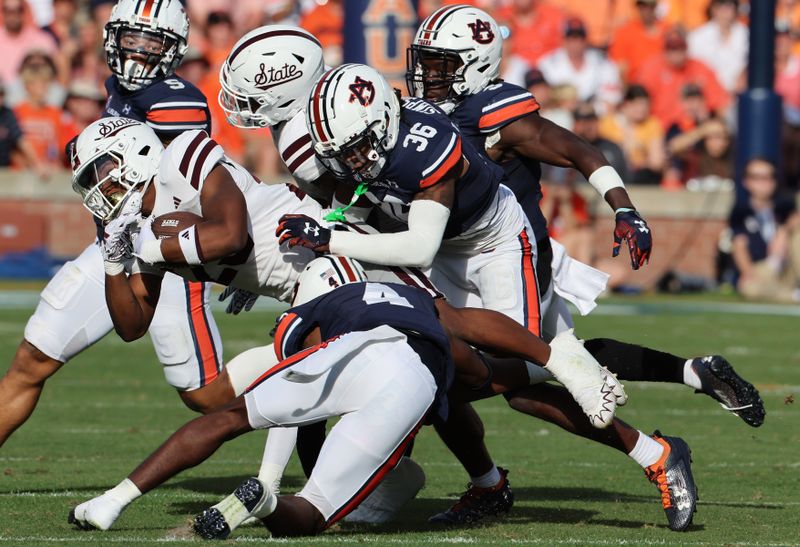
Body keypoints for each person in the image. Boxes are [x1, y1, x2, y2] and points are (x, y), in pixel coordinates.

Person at [405, 4, 763, 527]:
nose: (426, 76)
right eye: (426, 63)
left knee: (490, 377)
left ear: (475, 65)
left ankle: (632, 458)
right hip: (457, 260)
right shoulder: (430, 112)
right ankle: (692, 373)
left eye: (440, 66)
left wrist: (624, 207)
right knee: (545, 359)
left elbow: (577, 150)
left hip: (511, 257)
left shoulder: (497, 113)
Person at [69, 261, 454, 537]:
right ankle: (267, 503)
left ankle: (113, 500)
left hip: (357, 355)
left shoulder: (312, 309)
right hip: (411, 375)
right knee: (320, 508)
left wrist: (269, 475)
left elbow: (296, 400)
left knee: (229, 416)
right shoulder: (407, 297)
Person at [0, 0, 225, 450]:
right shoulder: (117, 87)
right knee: (31, 360)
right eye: (130, 39)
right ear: (112, 38)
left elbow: (199, 185)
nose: (138, 52)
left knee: (206, 396)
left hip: (166, 258)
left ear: (172, 49)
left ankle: (304, 426)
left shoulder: (177, 103)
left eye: (151, 43)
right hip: (111, 246)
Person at [730, 158, 800, 303]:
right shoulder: (741, 211)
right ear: (746, 181)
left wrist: (784, 231)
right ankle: (793, 296)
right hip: (763, 270)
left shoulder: (785, 204)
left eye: (768, 177)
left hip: (789, 268)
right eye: (757, 177)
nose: (763, 182)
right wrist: (748, 272)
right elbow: (739, 245)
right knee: (749, 287)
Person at [634, 26, 729, 128]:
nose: (675, 53)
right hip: (662, 128)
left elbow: (721, 102)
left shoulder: (700, 68)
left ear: (686, 47)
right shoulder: (651, 69)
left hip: (697, 127)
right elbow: (638, 104)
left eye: (679, 47)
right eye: (671, 48)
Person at [537, 16, 622, 113]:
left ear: (586, 40)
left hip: (594, 117)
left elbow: (612, 100)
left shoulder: (602, 62)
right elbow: (540, 100)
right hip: (559, 117)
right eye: (571, 38)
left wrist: (589, 109)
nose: (575, 43)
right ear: (563, 40)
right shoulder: (548, 63)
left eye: (579, 38)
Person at [599, 84, 666, 184]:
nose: (642, 109)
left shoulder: (652, 125)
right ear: (626, 105)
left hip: (640, 176)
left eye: (645, 105)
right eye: (637, 104)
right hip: (612, 173)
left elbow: (657, 162)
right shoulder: (608, 123)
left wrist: (639, 155)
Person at [687, 0, 747, 94]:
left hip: (739, 93)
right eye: (720, 5)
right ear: (713, 8)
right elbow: (694, 68)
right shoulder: (697, 37)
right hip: (709, 94)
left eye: (729, 5)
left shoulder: (746, 34)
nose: (724, 9)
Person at [608, 0, 669, 82]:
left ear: (655, 7)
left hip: (662, 82)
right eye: (641, 7)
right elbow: (620, 65)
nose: (644, 11)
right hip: (635, 84)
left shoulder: (668, 30)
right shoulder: (625, 31)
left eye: (648, 7)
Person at [0, 0, 57, 84]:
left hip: (35, 92)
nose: (13, 15)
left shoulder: (42, 40)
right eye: (8, 10)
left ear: (24, 12)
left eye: (18, 10)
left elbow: (55, 70)